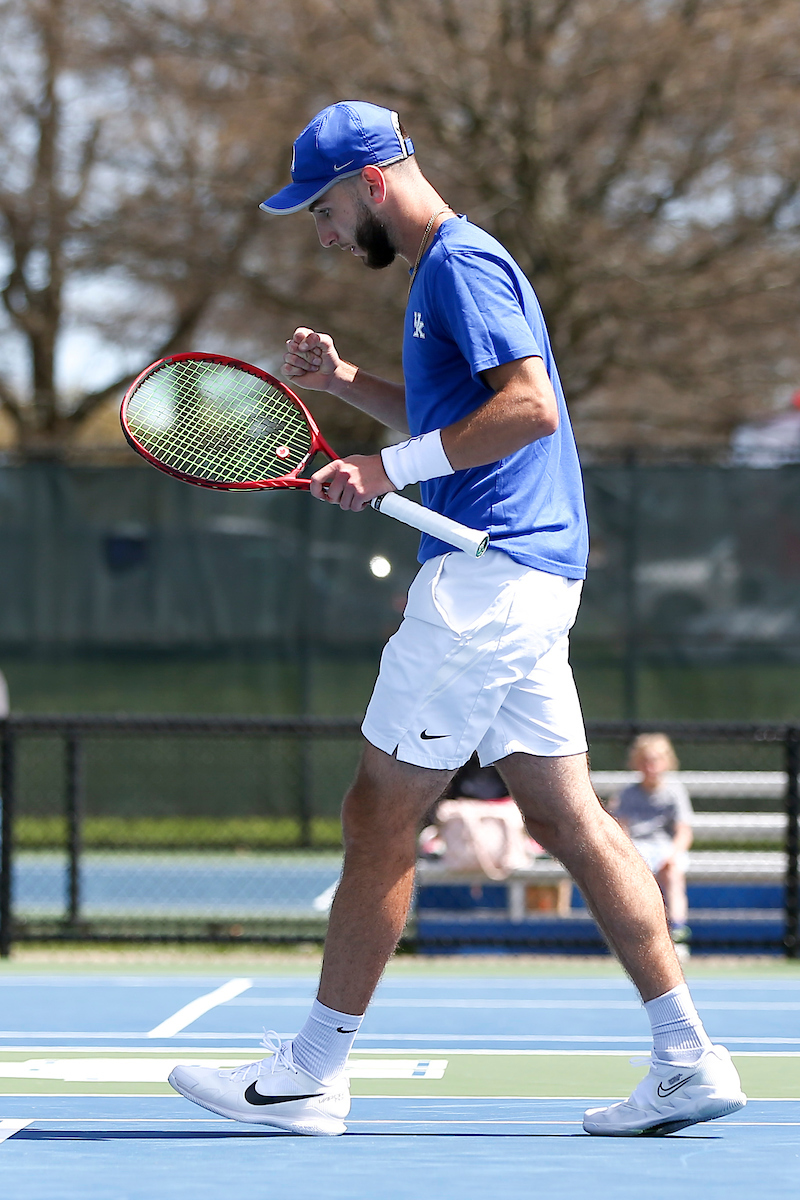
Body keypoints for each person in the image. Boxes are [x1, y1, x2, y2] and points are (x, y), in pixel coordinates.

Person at [169, 100, 745, 1137]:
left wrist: (384, 469)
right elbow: (459, 421)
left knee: (377, 814)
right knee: (567, 819)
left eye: (327, 209)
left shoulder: (459, 267)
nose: (324, 232)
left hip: (487, 581)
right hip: (520, 576)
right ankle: (688, 1058)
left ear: (375, 183)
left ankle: (309, 1073)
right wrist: (344, 385)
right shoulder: (447, 277)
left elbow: (527, 409)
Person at [609, 734, 694, 958]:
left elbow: (684, 832)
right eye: (645, 760)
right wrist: (629, 856)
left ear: (667, 762)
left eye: (656, 760)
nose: (650, 766)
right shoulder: (627, 793)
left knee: (673, 874)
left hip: (666, 846)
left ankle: (678, 932)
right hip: (636, 847)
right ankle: (636, 937)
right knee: (630, 880)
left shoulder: (675, 792)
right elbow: (621, 829)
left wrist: (673, 855)